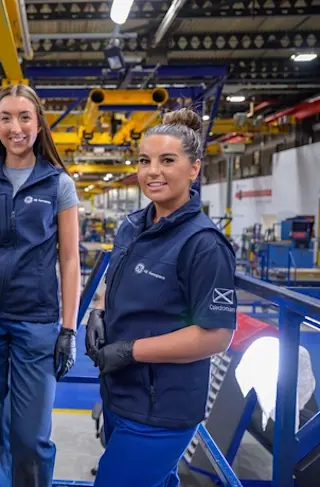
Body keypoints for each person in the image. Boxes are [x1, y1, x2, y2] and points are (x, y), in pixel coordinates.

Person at [85, 108, 237, 487]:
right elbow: (116, 284)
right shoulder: (132, 226)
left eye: (167, 161)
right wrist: (99, 311)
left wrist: (129, 351)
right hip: (120, 394)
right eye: (144, 161)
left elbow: (216, 335)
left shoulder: (203, 245)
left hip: (161, 409)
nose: (153, 171)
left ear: (194, 169)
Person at [0, 84, 80, 487]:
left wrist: (68, 329)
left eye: (24, 117)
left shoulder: (57, 184)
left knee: (29, 437)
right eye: (5, 118)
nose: (15, 127)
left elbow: (69, 260)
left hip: (36, 322)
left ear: (38, 123)